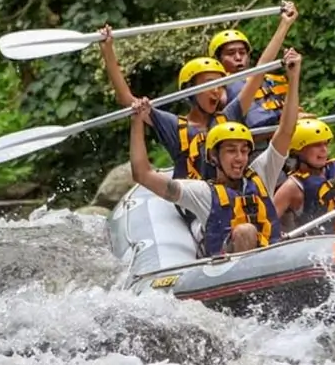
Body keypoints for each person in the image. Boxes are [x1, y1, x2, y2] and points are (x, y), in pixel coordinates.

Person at [129, 47, 303, 257]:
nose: (239, 158)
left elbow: (286, 130)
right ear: (213, 157)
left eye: (244, 150)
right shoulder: (202, 193)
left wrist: (294, 77)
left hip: (269, 260)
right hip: (225, 263)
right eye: (231, 151)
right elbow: (143, 175)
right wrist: (137, 121)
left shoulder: (262, 174)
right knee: (246, 231)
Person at [97, 22, 284, 179]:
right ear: (190, 91)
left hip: (226, 198)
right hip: (195, 202)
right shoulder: (174, 125)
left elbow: (259, 71)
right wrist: (108, 51)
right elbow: (125, 98)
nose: (216, 92)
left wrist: (285, 23)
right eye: (209, 85)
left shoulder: (229, 116)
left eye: (220, 85)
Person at [208, 1, 312, 156]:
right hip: (255, 151)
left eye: (242, 53)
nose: (238, 58)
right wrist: (284, 25)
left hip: (288, 142)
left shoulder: (267, 79)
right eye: (230, 53)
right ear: (218, 59)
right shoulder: (217, 90)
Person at [273, 118, 335, 235]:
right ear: (298, 151)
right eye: (316, 145)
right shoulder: (293, 186)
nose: (324, 150)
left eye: (325, 144)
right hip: (317, 245)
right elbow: (270, 221)